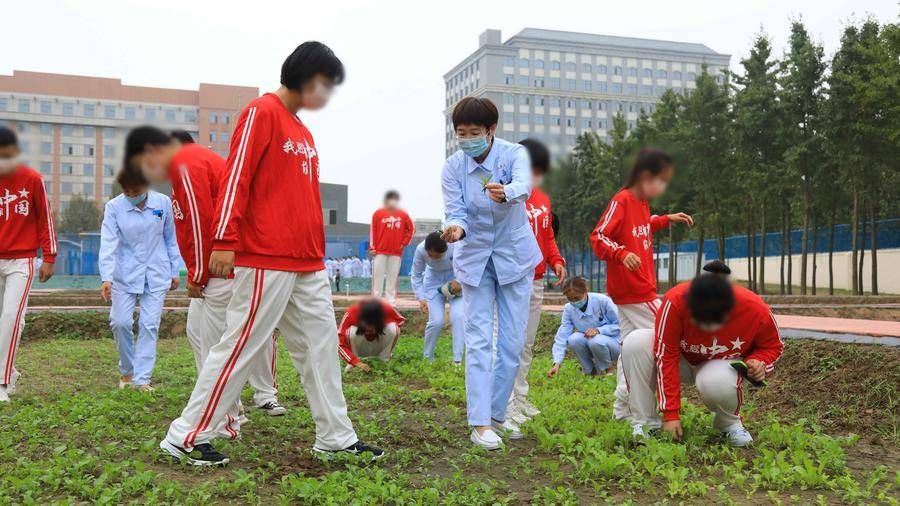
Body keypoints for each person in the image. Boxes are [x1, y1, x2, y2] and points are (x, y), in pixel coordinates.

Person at [160, 41, 383, 466]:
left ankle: (335, 436)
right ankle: (185, 435)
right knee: (241, 345)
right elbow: (236, 177)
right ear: (307, 77)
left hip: (307, 261)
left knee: (319, 349)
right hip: (265, 256)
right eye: (326, 85)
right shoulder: (260, 113)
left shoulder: (303, 131)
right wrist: (224, 239)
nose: (327, 96)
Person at [125, 126, 286, 425]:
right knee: (198, 332)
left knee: (221, 343)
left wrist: (198, 275)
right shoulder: (191, 164)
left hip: (223, 267)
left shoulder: (188, 163)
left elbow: (202, 222)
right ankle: (226, 406)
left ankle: (224, 416)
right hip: (222, 265)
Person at [441, 96, 542, 449]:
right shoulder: (453, 167)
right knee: (481, 340)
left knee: (513, 343)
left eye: (474, 132)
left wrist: (507, 193)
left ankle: (498, 415)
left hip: (514, 257)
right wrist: (455, 229)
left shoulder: (514, 154)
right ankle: (480, 422)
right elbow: (456, 211)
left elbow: (524, 187)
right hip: (474, 259)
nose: (467, 139)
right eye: (461, 133)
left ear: (491, 130)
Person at [622, 261, 783, 446]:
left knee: (719, 380)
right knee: (636, 342)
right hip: (681, 359)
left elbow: (773, 346)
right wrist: (671, 414)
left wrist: (758, 361)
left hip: (716, 365)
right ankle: (645, 423)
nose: (706, 328)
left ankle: (729, 424)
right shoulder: (675, 300)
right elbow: (666, 356)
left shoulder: (755, 308)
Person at [589, 147, 693, 430]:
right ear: (644, 175)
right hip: (637, 293)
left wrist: (665, 219)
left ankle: (622, 406)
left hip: (632, 294)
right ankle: (647, 414)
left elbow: (640, 227)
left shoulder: (642, 204)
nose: (662, 187)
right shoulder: (621, 200)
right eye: (661, 180)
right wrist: (621, 254)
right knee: (666, 337)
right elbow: (598, 236)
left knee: (630, 350)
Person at [99, 167, 181, 392]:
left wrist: (176, 270)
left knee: (149, 324)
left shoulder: (163, 203)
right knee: (120, 322)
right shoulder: (114, 208)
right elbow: (108, 242)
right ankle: (127, 371)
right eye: (127, 191)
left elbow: (171, 238)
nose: (132, 195)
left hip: (156, 272)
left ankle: (142, 379)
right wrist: (106, 277)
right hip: (124, 274)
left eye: (136, 190)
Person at [506, 138, 567, 426]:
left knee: (527, 344)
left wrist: (556, 261)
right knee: (510, 343)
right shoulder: (508, 194)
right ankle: (504, 404)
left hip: (537, 279)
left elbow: (547, 236)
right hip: (513, 279)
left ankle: (520, 397)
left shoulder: (542, 198)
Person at [0, 126, 56, 403]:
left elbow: (45, 218)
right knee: (11, 321)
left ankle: (1, 382)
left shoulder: (32, 179)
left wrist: (50, 256)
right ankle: (9, 370)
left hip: (22, 260)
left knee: (10, 317)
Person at [547, 277, 620, 378]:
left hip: (614, 344)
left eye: (577, 298)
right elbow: (562, 336)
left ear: (586, 292)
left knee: (595, 340)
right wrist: (557, 362)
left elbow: (620, 325)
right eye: (570, 299)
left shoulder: (602, 301)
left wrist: (599, 330)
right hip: (592, 344)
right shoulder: (569, 309)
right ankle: (589, 370)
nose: (574, 302)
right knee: (574, 339)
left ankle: (608, 369)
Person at [410, 231, 464, 364]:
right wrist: (421, 298)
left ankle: (457, 360)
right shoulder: (421, 250)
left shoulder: (457, 246)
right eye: (430, 255)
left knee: (458, 317)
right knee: (436, 322)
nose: (433, 258)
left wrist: (460, 282)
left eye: (437, 256)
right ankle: (427, 359)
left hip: (455, 280)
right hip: (433, 282)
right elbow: (416, 275)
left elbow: (468, 266)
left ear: (446, 248)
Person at [369, 190, 414, 305]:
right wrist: (372, 247)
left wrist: (403, 243)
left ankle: (391, 302)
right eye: (390, 198)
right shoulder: (378, 213)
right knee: (377, 278)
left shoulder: (403, 214)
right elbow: (373, 231)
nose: (392, 201)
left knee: (392, 278)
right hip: (380, 251)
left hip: (396, 252)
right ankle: (376, 301)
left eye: (394, 199)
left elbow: (411, 229)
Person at [338, 297, 405, 371]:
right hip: (359, 346)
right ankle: (353, 365)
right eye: (367, 326)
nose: (369, 330)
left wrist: (382, 328)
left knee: (393, 328)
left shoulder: (386, 310)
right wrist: (356, 362)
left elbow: (400, 321)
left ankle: (384, 360)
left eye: (372, 327)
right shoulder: (352, 313)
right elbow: (339, 344)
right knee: (351, 331)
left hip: (378, 344)